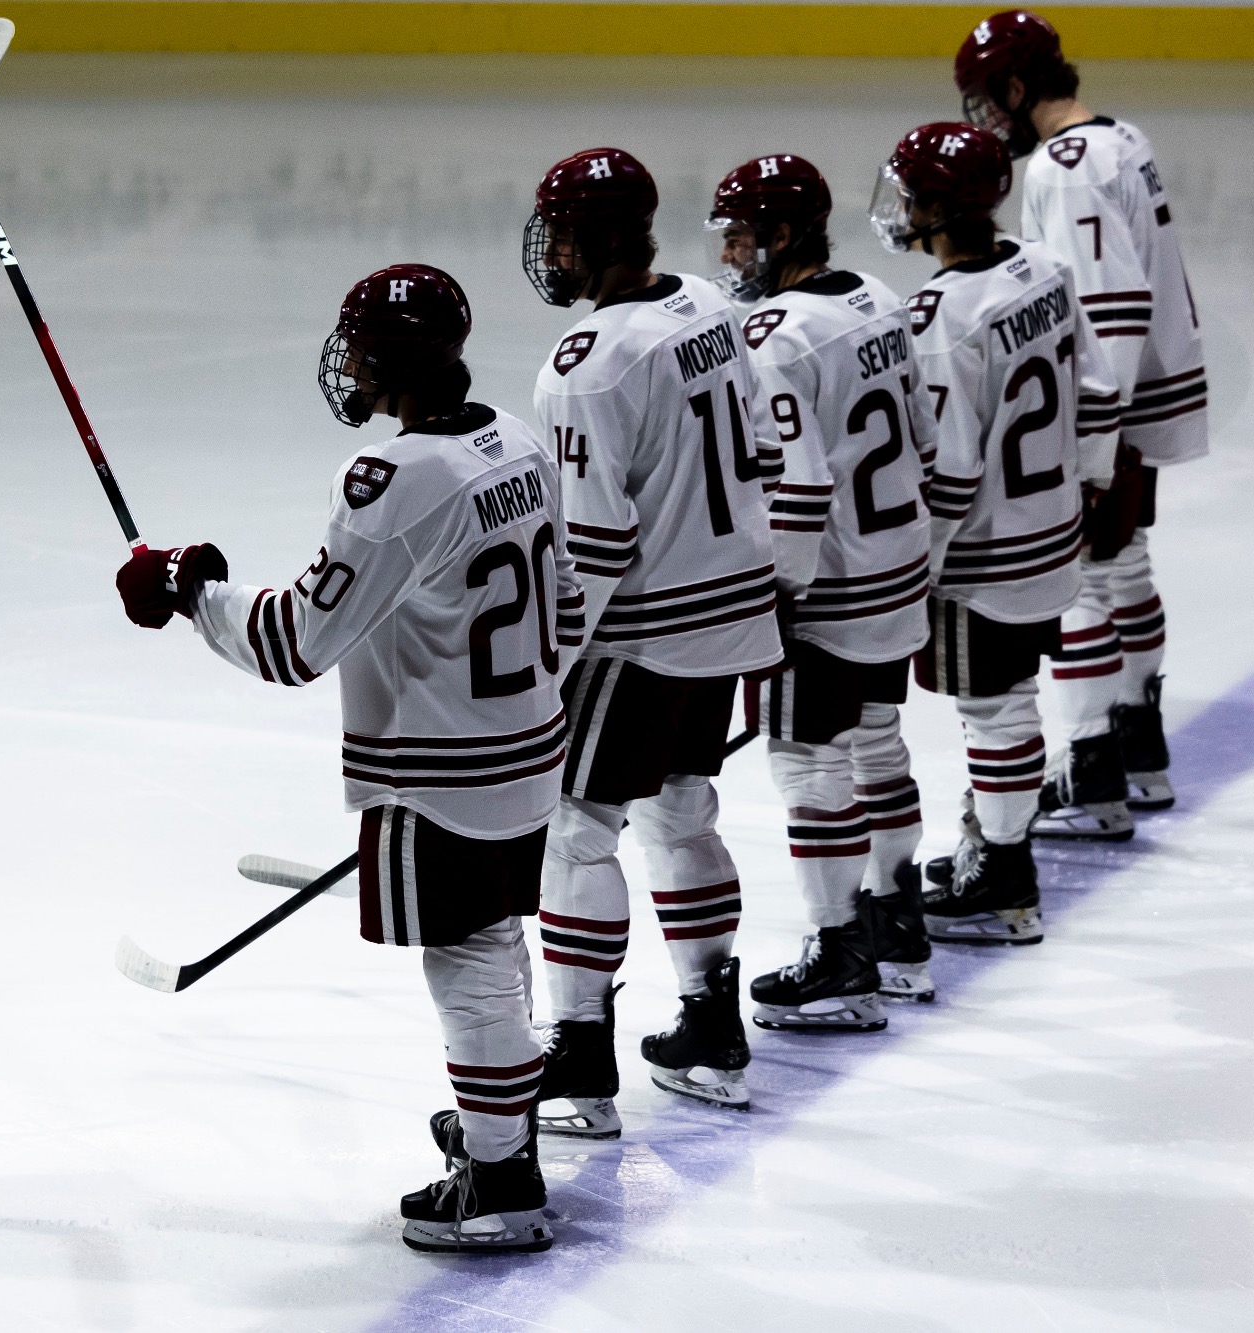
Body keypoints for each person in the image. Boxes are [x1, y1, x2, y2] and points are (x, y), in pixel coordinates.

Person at [116, 265, 579, 1254]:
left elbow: (294, 643)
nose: (348, 361)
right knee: (494, 945)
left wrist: (189, 590)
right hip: (528, 747)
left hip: (445, 771)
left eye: (359, 345)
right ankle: (506, 1126)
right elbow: (568, 600)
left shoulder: (392, 481)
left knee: (464, 961)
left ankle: (500, 1180)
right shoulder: (516, 441)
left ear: (385, 358)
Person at [523, 148, 784, 1119]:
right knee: (680, 810)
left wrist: (542, 669)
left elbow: (590, 547)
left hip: (639, 633)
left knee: (574, 828)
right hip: (725, 614)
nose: (546, 250)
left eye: (555, 231)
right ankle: (711, 1029)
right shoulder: (708, 308)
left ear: (590, 240)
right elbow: (761, 447)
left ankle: (580, 1056)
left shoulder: (584, 367)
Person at [957, 9, 1209, 832]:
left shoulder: (1065, 166)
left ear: (1019, 87)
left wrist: (1093, 446)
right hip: (1149, 391)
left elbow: (1111, 304)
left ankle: (1096, 766)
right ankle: (1141, 750)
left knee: (1089, 582)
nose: (987, 117)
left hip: (1112, 406)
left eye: (989, 99)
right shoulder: (1120, 138)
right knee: (1126, 569)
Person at [869, 125, 1121, 943]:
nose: (901, 205)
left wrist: (917, 569)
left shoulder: (938, 316)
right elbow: (1099, 386)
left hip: (985, 551)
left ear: (939, 208)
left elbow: (951, 470)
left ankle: (1007, 877)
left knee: (995, 708)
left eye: (911, 192)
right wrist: (1087, 488)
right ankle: (995, 844)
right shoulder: (1043, 266)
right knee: (1008, 699)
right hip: (1050, 530)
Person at [709, 153, 941, 1023]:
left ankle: (841, 950)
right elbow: (924, 439)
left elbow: (799, 488)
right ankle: (899, 929)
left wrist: (777, 601)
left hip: (829, 589)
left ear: (780, 236)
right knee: (879, 740)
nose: (730, 255)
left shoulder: (773, 337)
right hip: (895, 569)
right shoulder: (877, 298)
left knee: (807, 760)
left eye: (739, 237)